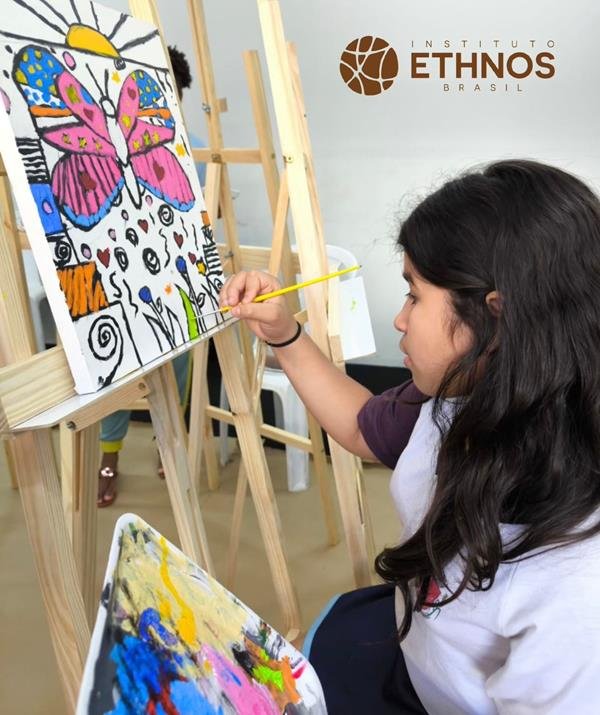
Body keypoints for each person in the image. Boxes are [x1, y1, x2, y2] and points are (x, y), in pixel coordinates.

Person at [219, 159, 600, 713]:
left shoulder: (576, 578)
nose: (399, 320)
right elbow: (362, 425)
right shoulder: (457, 393)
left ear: (494, 320)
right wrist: (285, 334)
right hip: (410, 649)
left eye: (414, 296)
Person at [97, 46, 206, 507]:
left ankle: (168, 443)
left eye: (173, 93)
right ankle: (109, 458)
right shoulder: (110, 143)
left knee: (177, 368)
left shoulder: (193, 150)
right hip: (121, 275)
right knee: (118, 376)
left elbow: (198, 216)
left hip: (174, 276)